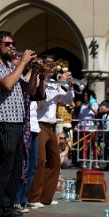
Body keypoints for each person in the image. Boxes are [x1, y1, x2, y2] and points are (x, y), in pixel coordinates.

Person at [0, 30, 41, 217]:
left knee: (15, 169)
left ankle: (7, 208)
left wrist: (34, 71)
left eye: (13, 43)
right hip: (4, 121)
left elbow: (30, 90)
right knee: (3, 169)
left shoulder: (10, 66)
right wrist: (23, 63)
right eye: (8, 44)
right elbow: (7, 84)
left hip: (17, 121)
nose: (12, 47)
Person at [27, 66, 74, 209]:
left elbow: (67, 101)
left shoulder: (55, 83)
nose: (53, 69)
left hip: (51, 126)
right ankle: (33, 197)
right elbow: (40, 104)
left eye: (53, 66)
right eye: (49, 66)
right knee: (40, 160)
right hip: (40, 124)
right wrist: (60, 83)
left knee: (54, 161)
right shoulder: (38, 82)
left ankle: (46, 197)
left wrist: (69, 86)